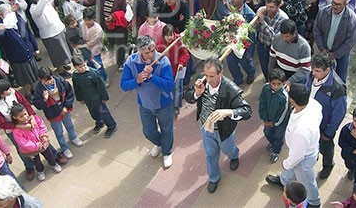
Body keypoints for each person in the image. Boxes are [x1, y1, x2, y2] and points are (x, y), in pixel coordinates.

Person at [186, 57, 253, 193]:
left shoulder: (230, 88)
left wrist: (228, 112)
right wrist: (196, 93)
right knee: (210, 154)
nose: (208, 80)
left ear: (220, 73)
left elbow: (247, 111)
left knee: (227, 149)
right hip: (206, 127)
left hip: (224, 130)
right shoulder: (201, 80)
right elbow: (187, 95)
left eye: (212, 76)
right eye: (206, 75)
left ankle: (234, 155)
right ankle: (214, 177)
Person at [120, 36, 175, 169]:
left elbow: (169, 85)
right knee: (148, 132)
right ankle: (160, 143)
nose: (151, 54)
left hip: (164, 104)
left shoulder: (163, 60)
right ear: (139, 51)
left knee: (167, 129)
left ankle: (167, 152)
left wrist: (152, 77)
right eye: (147, 52)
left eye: (153, 50)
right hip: (144, 105)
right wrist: (137, 81)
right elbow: (124, 85)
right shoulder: (131, 61)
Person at [266, 83, 323, 208]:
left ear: (292, 100)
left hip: (303, 158)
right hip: (307, 147)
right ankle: (284, 181)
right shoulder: (313, 104)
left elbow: (297, 156)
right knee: (291, 169)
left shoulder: (301, 130)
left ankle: (314, 202)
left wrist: (286, 163)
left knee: (307, 181)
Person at [305, 53, 348, 180]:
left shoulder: (337, 87)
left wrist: (328, 133)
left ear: (327, 70)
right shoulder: (311, 75)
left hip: (324, 127)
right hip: (309, 121)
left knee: (326, 148)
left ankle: (328, 165)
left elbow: (339, 114)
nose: (313, 72)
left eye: (317, 70)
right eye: (312, 69)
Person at [0, 80, 42, 181]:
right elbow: (2, 124)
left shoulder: (13, 92)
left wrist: (32, 116)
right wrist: (20, 127)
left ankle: (52, 155)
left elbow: (25, 103)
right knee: (22, 148)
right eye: (7, 90)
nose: (10, 90)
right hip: (13, 131)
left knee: (39, 138)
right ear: (0, 93)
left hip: (28, 122)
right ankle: (29, 166)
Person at [31, 67, 82, 160]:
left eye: (50, 79)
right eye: (46, 81)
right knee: (59, 132)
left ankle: (73, 137)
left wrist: (66, 106)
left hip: (64, 109)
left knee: (70, 125)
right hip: (53, 114)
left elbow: (69, 92)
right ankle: (64, 147)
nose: (50, 82)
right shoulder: (39, 89)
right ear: (40, 79)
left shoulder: (60, 81)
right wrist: (44, 99)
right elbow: (38, 104)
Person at [29, 0, 73, 77]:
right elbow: (40, 8)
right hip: (50, 35)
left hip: (57, 29)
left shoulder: (44, 2)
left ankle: (63, 65)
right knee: (57, 54)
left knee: (63, 51)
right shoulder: (34, 9)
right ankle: (61, 70)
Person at [313, 0, 356, 83]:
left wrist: (336, 54)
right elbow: (316, 30)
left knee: (340, 80)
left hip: (341, 55)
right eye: (333, 3)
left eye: (339, 5)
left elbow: (351, 41)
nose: (335, 7)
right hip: (324, 51)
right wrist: (322, 48)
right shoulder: (323, 12)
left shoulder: (352, 19)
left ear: (345, 4)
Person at [9, 102, 61, 182]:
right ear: (15, 117)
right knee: (36, 161)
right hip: (31, 149)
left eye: (25, 114)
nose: (25, 117)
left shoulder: (35, 119)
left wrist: (43, 136)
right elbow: (22, 142)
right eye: (21, 116)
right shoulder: (17, 130)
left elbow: (41, 126)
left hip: (43, 143)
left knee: (49, 154)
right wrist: (36, 145)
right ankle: (40, 171)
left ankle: (54, 164)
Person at [71, 56, 117, 138]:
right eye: (80, 67)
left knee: (104, 112)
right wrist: (80, 98)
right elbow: (76, 88)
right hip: (87, 99)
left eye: (84, 65)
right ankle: (99, 123)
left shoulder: (93, 73)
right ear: (75, 67)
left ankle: (111, 126)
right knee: (93, 113)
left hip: (97, 99)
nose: (83, 68)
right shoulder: (75, 76)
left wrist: (104, 97)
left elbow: (101, 86)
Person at [96, 0, 132, 68]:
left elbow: (124, 12)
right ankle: (127, 50)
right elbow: (90, 1)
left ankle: (120, 63)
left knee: (120, 45)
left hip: (119, 26)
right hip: (108, 27)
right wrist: (79, 0)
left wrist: (113, 17)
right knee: (113, 43)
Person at [260, 69, 290, 164]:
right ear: (269, 82)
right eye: (273, 84)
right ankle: (272, 143)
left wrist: (274, 123)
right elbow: (262, 103)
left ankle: (276, 151)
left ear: (283, 83)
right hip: (268, 119)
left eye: (279, 84)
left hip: (280, 123)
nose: (276, 86)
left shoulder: (284, 96)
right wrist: (264, 118)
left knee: (279, 136)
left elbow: (283, 113)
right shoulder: (265, 89)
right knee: (267, 132)